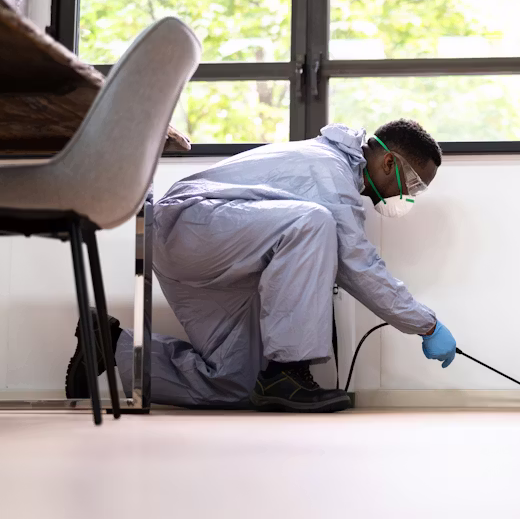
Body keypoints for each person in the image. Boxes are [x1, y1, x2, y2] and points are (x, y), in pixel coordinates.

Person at [65, 119, 457, 413]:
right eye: (414, 184)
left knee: (234, 381)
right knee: (313, 222)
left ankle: (109, 344)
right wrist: (426, 323)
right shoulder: (330, 171)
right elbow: (359, 265)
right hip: (192, 226)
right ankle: (286, 372)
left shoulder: (336, 174)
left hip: (213, 255)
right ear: (389, 162)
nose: (410, 197)